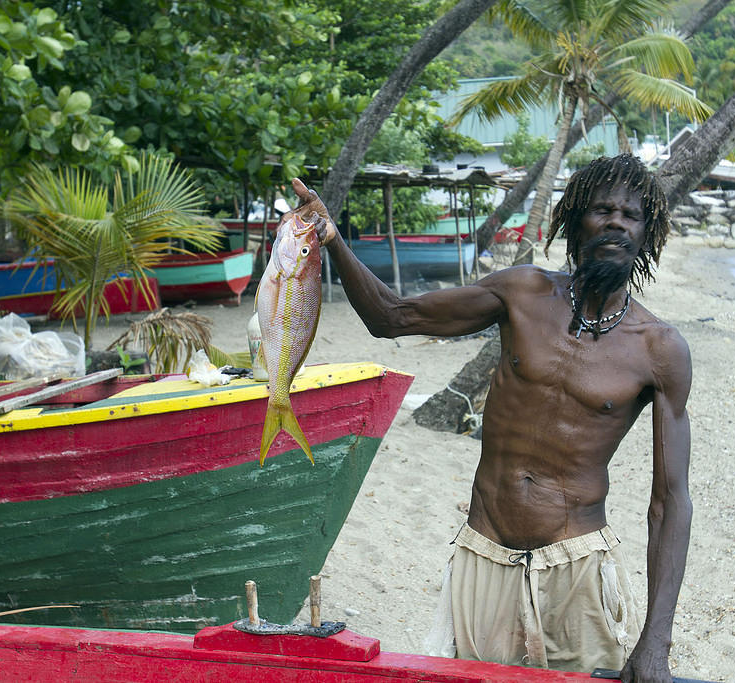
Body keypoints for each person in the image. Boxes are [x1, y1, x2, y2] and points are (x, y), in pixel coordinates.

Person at [286, 154, 692, 683]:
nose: (616, 222)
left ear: (646, 233)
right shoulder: (522, 293)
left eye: (631, 215)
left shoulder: (659, 348)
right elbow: (392, 317)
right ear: (576, 220)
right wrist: (334, 239)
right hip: (483, 551)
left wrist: (655, 643)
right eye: (602, 209)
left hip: (576, 568)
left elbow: (670, 502)